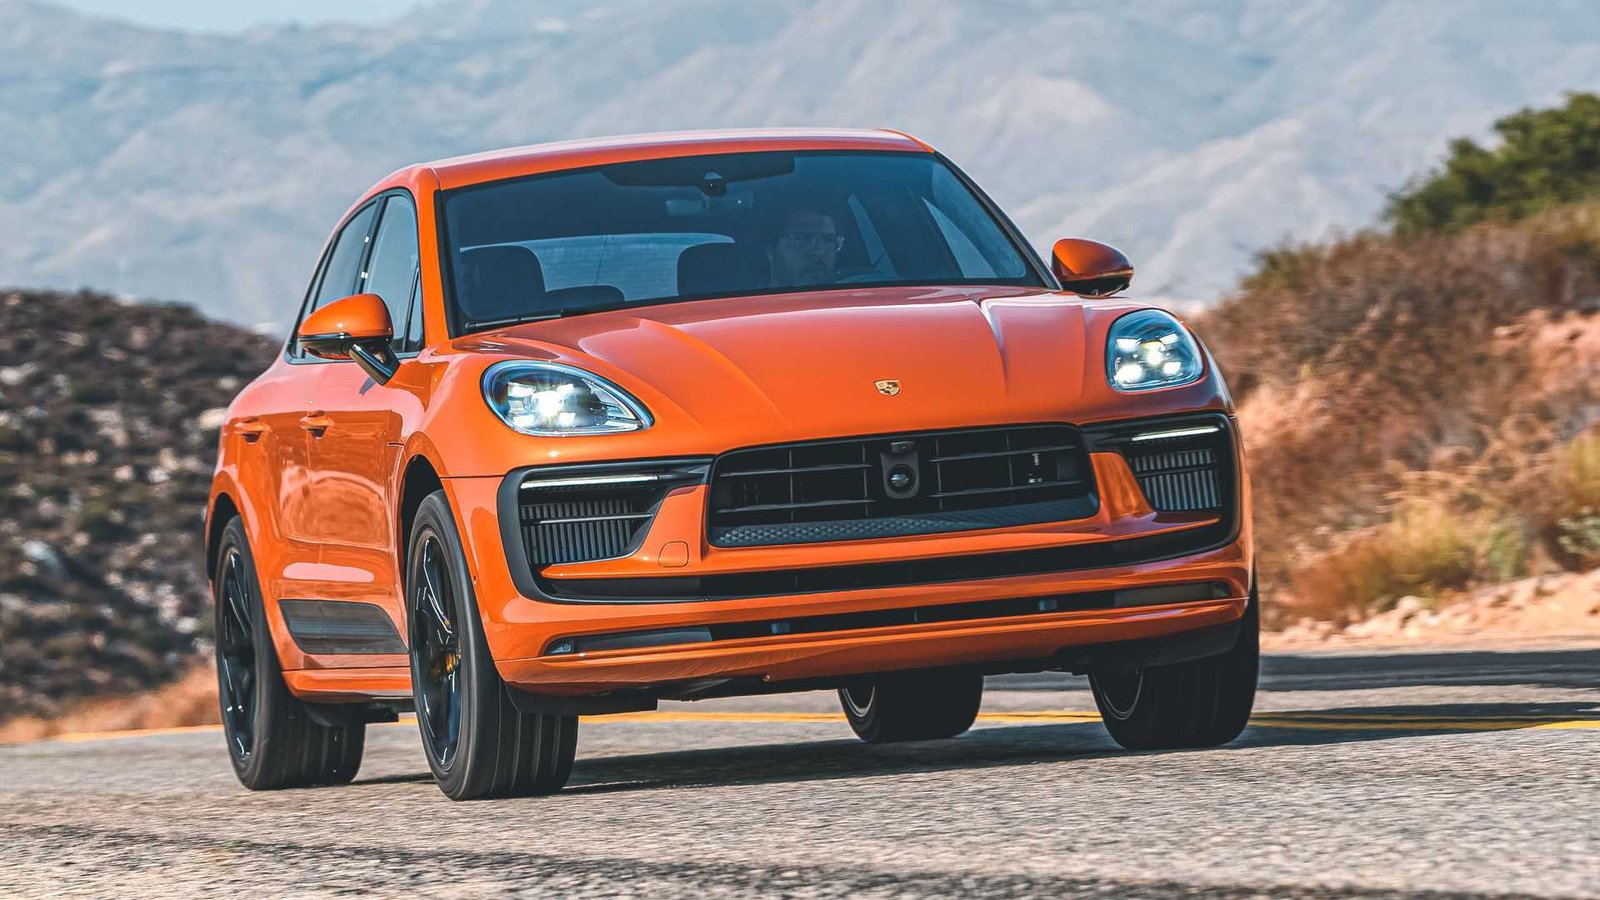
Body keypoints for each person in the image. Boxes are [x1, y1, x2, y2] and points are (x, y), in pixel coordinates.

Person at [767, 208, 844, 287]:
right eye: (801, 238)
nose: (819, 252)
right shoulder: (755, 297)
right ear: (770, 250)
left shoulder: (853, 291)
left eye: (828, 239)